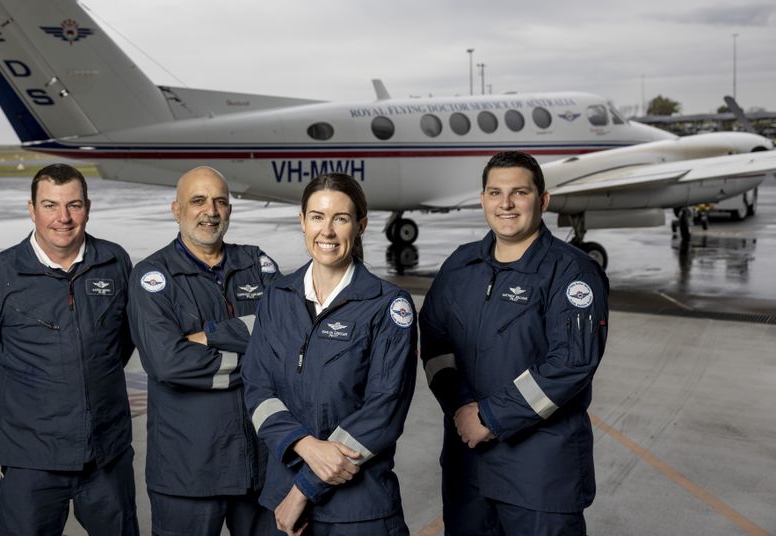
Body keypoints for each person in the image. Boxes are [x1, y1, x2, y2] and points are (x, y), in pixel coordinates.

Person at [419, 151, 610, 535]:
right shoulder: (460, 266)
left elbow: (570, 364)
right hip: (467, 466)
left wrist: (488, 417)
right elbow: (436, 346)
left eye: (519, 192)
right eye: (495, 193)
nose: (505, 204)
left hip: (539, 475)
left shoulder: (572, 272)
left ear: (543, 201)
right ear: (483, 198)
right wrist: (460, 407)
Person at [0, 163, 138, 535]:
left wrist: (86, 391)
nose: (63, 218)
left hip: (106, 455)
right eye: (51, 205)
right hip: (31, 459)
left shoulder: (115, 262)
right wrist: (25, 402)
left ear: (88, 206)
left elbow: (122, 342)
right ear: (31, 209)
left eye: (74, 205)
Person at [243, 173, 418, 536]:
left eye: (340, 218)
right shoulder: (277, 297)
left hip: (358, 510)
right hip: (281, 507)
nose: (327, 231)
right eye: (318, 217)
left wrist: (303, 489)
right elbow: (258, 389)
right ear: (302, 221)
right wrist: (305, 446)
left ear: (361, 226)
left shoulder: (388, 306)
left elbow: (382, 411)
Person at [128, 166, 281, 536]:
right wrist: (256, 361)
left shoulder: (256, 264)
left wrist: (210, 334)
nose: (210, 211)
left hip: (260, 467)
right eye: (197, 200)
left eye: (220, 201)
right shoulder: (152, 277)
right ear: (176, 209)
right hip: (188, 474)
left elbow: (287, 335)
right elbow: (169, 363)